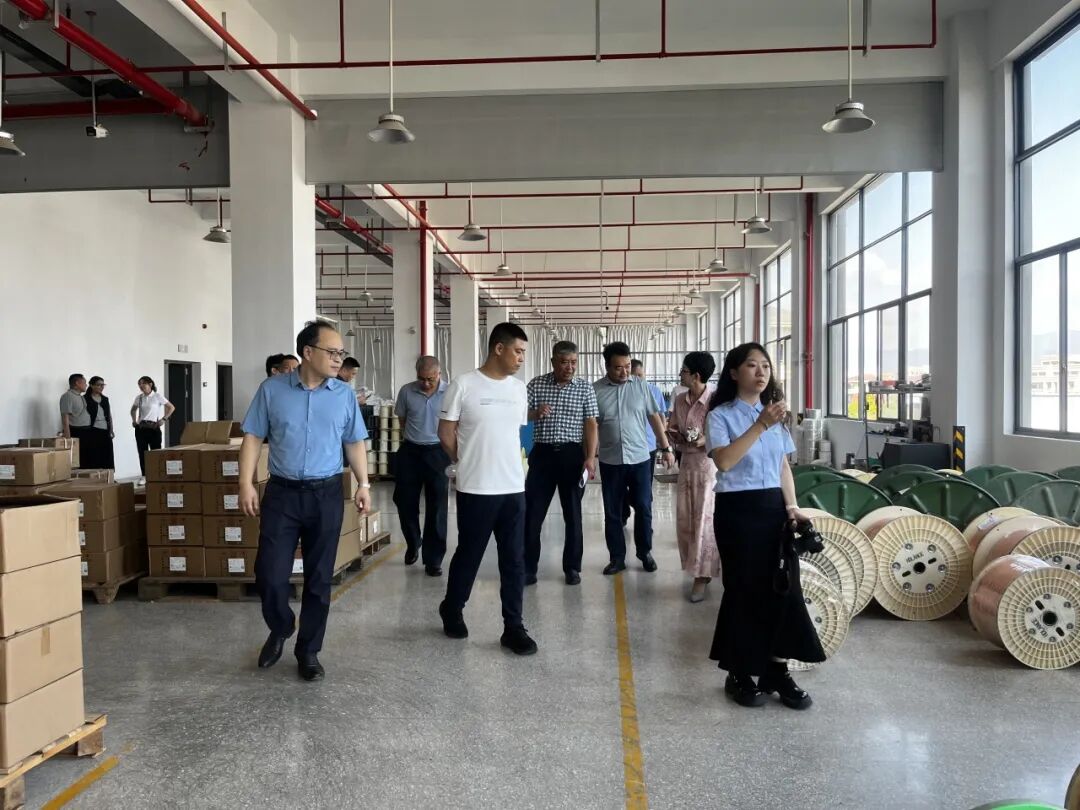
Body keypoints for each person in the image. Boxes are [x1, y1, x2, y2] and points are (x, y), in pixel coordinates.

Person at [238, 321, 372, 682]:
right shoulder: (272, 390)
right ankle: (281, 626)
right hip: (282, 494)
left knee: (319, 578)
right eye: (333, 352)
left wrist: (363, 483)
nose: (339, 358)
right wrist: (245, 483)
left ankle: (308, 650)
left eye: (341, 352)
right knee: (269, 574)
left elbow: (354, 441)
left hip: (326, 494)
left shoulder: (343, 395)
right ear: (308, 353)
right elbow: (253, 438)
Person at [705, 342, 823, 709]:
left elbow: (782, 466)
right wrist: (760, 425)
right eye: (752, 365)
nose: (761, 372)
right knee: (744, 590)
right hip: (738, 511)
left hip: (773, 509)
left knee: (784, 589)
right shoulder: (721, 416)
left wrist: (792, 506)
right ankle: (739, 672)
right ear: (734, 372)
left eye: (766, 366)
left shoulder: (774, 416)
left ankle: (777, 669)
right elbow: (725, 462)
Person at [437, 322, 537, 656]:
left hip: (513, 488)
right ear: (499, 348)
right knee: (470, 554)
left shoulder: (518, 389)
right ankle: (452, 608)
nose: (521, 358)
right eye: (518, 351)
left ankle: (514, 627)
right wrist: (466, 461)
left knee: (514, 560)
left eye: (524, 352)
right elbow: (446, 433)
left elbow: (517, 435)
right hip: (476, 488)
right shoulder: (464, 385)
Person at [594, 342, 674, 575]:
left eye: (628, 366)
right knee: (613, 511)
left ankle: (644, 552)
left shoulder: (641, 387)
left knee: (643, 506)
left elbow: (654, 418)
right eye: (618, 367)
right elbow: (591, 425)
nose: (624, 371)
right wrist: (589, 456)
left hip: (640, 458)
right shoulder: (595, 390)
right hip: (610, 460)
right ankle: (617, 558)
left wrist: (666, 448)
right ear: (607, 366)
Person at [523, 341, 599, 586]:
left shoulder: (584, 388)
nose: (569, 367)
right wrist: (535, 413)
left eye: (574, 362)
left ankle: (572, 568)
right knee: (532, 514)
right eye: (564, 362)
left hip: (572, 456)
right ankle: (528, 568)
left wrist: (590, 457)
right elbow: (520, 414)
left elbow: (591, 423)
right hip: (542, 455)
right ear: (553, 361)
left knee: (573, 516)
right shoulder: (536, 384)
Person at [666, 353, 720, 603]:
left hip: (708, 468)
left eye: (684, 371)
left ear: (696, 375)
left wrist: (704, 439)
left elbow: (723, 434)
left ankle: (702, 575)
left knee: (704, 522)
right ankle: (695, 567)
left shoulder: (715, 401)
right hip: (686, 466)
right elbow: (674, 426)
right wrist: (674, 435)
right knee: (686, 520)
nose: (681, 375)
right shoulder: (680, 399)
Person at [393, 355, 450, 576]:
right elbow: (402, 420)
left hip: (438, 452)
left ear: (439, 374)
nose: (425, 383)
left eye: (430, 379)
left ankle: (433, 559)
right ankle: (413, 541)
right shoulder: (406, 391)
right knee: (403, 500)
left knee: (437, 506)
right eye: (421, 378)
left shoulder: (450, 392)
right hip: (411, 451)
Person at [621, 359, 668, 526]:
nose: (638, 379)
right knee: (623, 484)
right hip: (628, 446)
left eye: (640, 375)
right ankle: (624, 512)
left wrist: (663, 442)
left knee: (645, 487)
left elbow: (660, 415)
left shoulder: (654, 391)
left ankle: (645, 524)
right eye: (634, 376)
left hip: (648, 446)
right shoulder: (624, 391)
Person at [130, 377, 175, 482]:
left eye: (143, 383)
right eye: (139, 384)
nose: (141, 386)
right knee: (142, 453)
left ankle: (157, 474)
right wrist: (134, 421)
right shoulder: (139, 398)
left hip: (154, 428)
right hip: (141, 428)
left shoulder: (157, 396)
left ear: (150, 384)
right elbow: (133, 410)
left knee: (156, 452)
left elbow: (171, 407)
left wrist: (164, 419)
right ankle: (144, 476)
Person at [81, 376, 115, 470]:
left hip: (105, 430)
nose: (101, 387)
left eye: (103, 385)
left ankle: (108, 475)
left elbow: (109, 415)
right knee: (94, 454)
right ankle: (96, 476)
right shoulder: (85, 399)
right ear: (92, 385)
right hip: (92, 430)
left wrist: (111, 429)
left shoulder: (105, 399)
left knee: (107, 454)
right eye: (99, 385)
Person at [60, 374, 90, 442]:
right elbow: (65, 418)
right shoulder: (67, 396)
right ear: (77, 383)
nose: (86, 385)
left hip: (86, 431)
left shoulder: (81, 396)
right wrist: (68, 438)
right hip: (77, 431)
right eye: (84, 382)